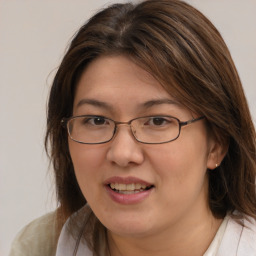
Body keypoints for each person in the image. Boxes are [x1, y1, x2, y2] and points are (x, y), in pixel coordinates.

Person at [9, 0, 256, 255]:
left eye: (158, 121)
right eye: (96, 120)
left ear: (216, 143)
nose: (122, 153)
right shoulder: (39, 246)